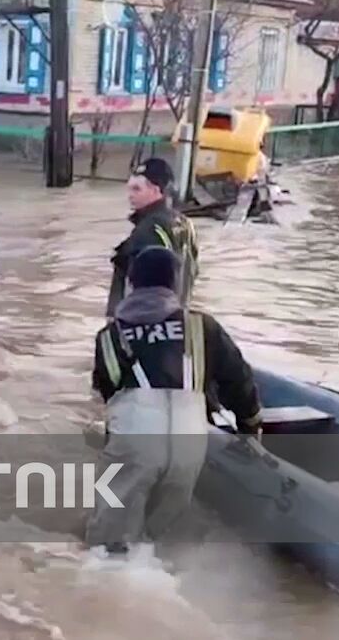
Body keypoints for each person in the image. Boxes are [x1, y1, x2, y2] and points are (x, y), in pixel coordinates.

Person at [86, 246, 263, 554]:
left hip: (135, 441)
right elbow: (239, 379)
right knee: (156, 544)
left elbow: (107, 388)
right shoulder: (202, 326)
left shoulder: (109, 335)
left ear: (132, 284)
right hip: (189, 445)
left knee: (109, 546)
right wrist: (249, 425)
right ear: (175, 285)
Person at [106, 158, 199, 318]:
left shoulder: (148, 231)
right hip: (178, 316)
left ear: (156, 191)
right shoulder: (185, 223)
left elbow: (145, 289)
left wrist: (116, 322)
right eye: (129, 189)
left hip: (143, 321)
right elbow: (192, 271)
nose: (130, 196)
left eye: (137, 189)